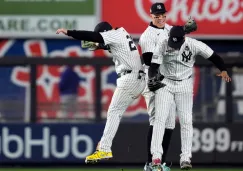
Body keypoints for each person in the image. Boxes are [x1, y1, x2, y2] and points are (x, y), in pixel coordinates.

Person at [56, 21, 146, 164]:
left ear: (104, 32)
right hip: (139, 78)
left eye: (101, 36)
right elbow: (115, 46)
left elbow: (93, 36)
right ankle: (157, 158)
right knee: (148, 116)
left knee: (114, 111)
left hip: (130, 78)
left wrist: (69, 32)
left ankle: (104, 148)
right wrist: (100, 46)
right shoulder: (121, 33)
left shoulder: (112, 35)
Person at [147, 26, 231, 170]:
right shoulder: (163, 44)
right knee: (159, 119)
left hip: (184, 84)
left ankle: (185, 158)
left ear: (184, 38)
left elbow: (214, 56)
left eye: (177, 43)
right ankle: (156, 158)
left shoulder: (193, 44)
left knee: (186, 121)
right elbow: (153, 66)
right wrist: (152, 78)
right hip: (166, 82)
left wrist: (223, 69)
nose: (174, 46)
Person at [139, 2, 197, 171]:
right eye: (157, 16)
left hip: (169, 81)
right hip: (154, 80)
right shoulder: (147, 36)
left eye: (163, 15)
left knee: (170, 123)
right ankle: (150, 163)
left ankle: (160, 162)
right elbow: (151, 62)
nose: (161, 18)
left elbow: (176, 37)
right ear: (151, 16)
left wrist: (184, 30)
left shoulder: (168, 28)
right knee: (157, 120)